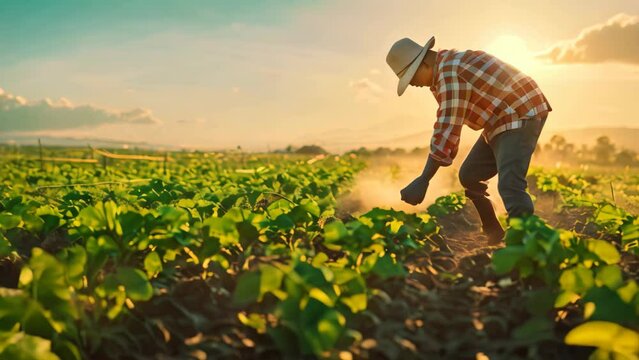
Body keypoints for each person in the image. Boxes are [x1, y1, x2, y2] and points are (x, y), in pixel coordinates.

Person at [385, 36, 552, 244]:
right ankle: (493, 230)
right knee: (470, 175)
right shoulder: (444, 72)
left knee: (510, 184)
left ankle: (525, 243)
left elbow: (447, 129)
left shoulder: (450, 74)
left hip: (520, 111)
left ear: (424, 65)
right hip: (498, 119)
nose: (413, 85)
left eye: (412, 79)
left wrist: (424, 179)